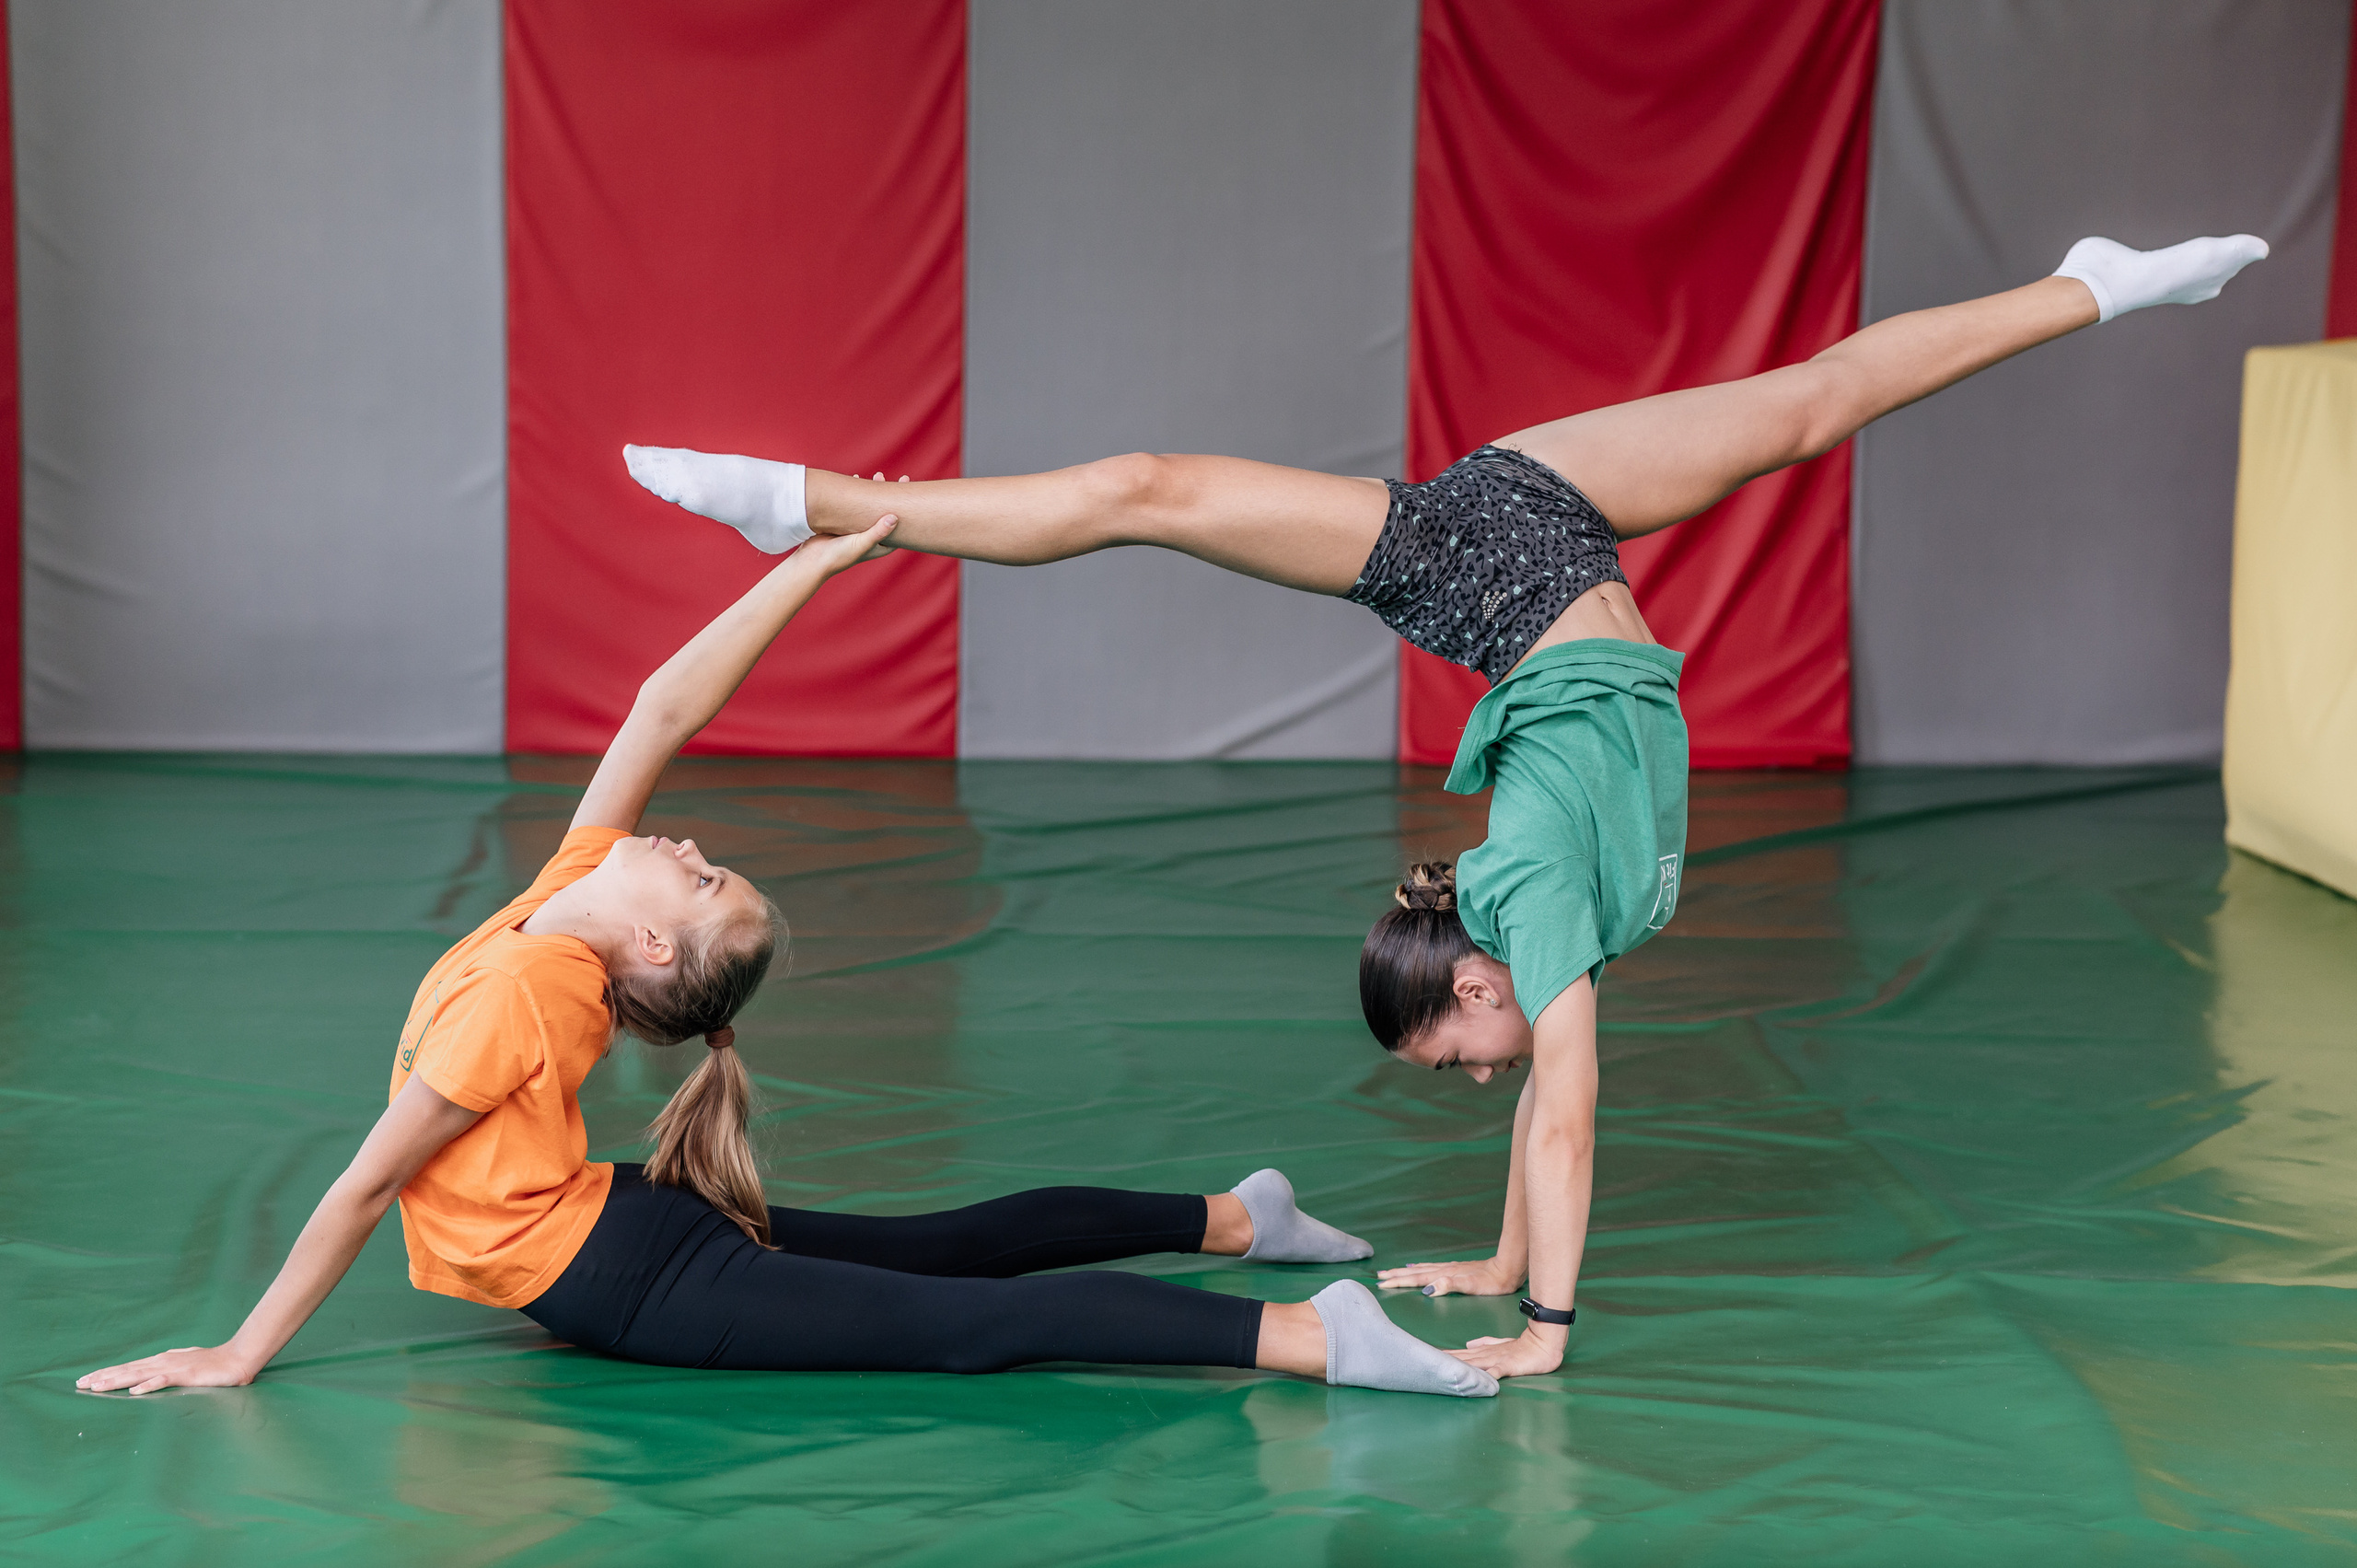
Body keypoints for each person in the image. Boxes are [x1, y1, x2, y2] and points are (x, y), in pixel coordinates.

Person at [619, 233, 2270, 1383]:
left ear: (1476, 978)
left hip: (1482, 566)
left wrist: (1547, 1317)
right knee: (1811, 405)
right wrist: (1496, 1266)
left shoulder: (1534, 914)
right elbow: (1541, 1093)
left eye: (1451, 1057)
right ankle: (2093, 287)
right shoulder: (1528, 928)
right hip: (1554, 534)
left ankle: (816, 509)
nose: (1477, 1077)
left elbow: (1561, 1110)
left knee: (1144, 496)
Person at [78, 517, 1500, 1400]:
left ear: (651, 939)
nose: (681, 846)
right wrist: (808, 566)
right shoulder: (563, 914)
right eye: (696, 862)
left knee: (959, 1316)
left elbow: (365, 1183)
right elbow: (659, 710)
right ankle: (1243, 1230)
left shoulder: (536, 970)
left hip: (623, 1271)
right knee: (942, 1270)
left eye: (696, 876)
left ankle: (1304, 1319)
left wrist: (237, 1350)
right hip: (615, 1232)